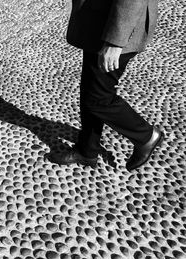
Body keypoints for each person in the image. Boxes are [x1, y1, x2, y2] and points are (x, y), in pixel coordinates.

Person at [47, 0, 163, 171]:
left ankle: (146, 136)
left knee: (98, 98)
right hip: (100, 21)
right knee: (90, 89)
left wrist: (115, 42)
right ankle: (87, 150)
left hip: (119, 29)